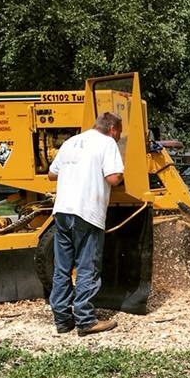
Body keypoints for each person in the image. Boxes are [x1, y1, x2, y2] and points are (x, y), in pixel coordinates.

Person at [47, 112, 125, 336]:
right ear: (112, 129)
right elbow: (113, 178)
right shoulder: (107, 143)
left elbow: (52, 175)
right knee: (86, 267)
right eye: (119, 131)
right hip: (87, 212)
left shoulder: (71, 142)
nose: (119, 136)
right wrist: (121, 176)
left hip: (62, 211)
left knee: (62, 268)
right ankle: (85, 320)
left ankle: (62, 320)